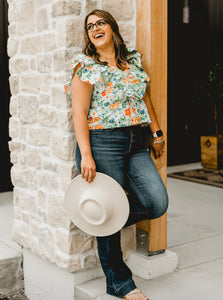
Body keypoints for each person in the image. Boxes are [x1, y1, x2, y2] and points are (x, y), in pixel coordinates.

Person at [64, 9, 169, 300]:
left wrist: (156, 132)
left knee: (156, 202)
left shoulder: (132, 61)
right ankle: (119, 282)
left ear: (112, 28)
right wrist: (86, 154)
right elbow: (79, 112)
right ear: (88, 36)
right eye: (89, 27)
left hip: (137, 139)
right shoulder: (86, 66)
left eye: (100, 23)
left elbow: (144, 97)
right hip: (103, 141)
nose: (95, 29)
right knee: (109, 207)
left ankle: (100, 217)